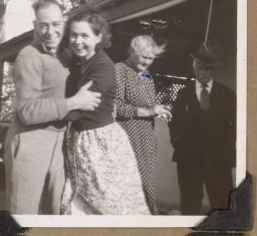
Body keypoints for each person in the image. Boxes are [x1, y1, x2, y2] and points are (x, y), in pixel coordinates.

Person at [4, 0, 101, 214]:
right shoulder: (28, 56)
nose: (50, 31)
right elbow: (27, 111)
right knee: (24, 214)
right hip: (30, 140)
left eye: (56, 24)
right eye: (44, 25)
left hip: (59, 142)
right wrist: (74, 102)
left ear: (64, 22)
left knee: (56, 212)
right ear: (35, 26)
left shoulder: (67, 54)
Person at [60, 11, 150, 215]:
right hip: (82, 141)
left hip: (100, 144)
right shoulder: (79, 65)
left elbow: (77, 111)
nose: (77, 41)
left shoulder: (102, 66)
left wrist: (47, 109)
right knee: (81, 207)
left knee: (111, 206)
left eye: (85, 35)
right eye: (74, 35)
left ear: (99, 37)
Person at [169, 43, 236, 215]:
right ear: (193, 68)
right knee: (190, 203)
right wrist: (177, 141)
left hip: (218, 160)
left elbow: (236, 125)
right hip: (189, 159)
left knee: (222, 203)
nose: (202, 72)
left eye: (207, 68)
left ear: (213, 70)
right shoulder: (183, 94)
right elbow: (174, 122)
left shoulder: (227, 94)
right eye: (199, 67)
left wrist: (227, 151)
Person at [114, 35, 171, 214]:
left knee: (147, 184)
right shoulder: (120, 70)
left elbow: (149, 104)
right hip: (127, 138)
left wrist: (160, 109)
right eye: (144, 56)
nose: (147, 62)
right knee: (130, 185)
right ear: (132, 52)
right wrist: (148, 111)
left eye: (151, 58)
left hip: (147, 138)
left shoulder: (147, 75)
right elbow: (115, 108)